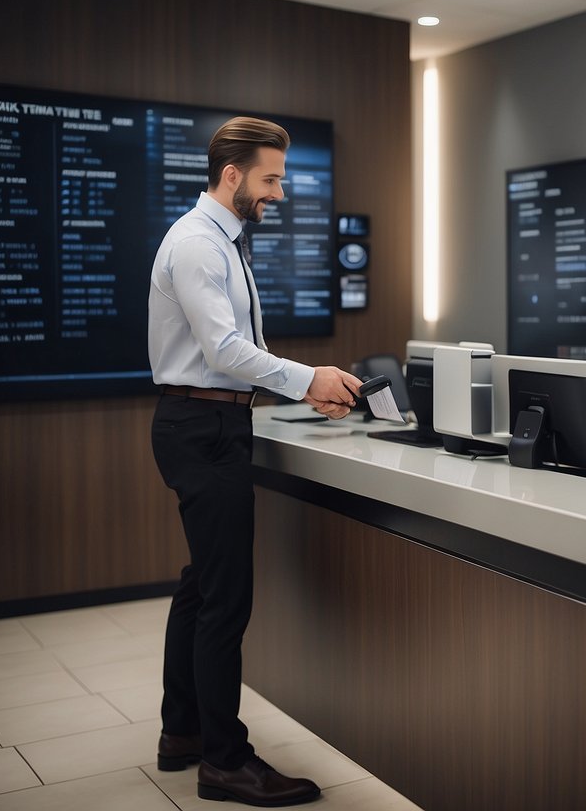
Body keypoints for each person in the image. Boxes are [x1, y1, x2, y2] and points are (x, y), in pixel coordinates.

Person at [148, 116, 361, 807]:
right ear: (231, 174)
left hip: (214, 420)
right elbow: (223, 351)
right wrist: (308, 378)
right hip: (200, 426)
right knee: (225, 600)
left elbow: (236, 357)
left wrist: (300, 390)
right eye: (269, 179)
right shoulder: (196, 245)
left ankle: (182, 732)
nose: (277, 193)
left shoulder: (225, 241)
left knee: (201, 585)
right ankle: (225, 762)